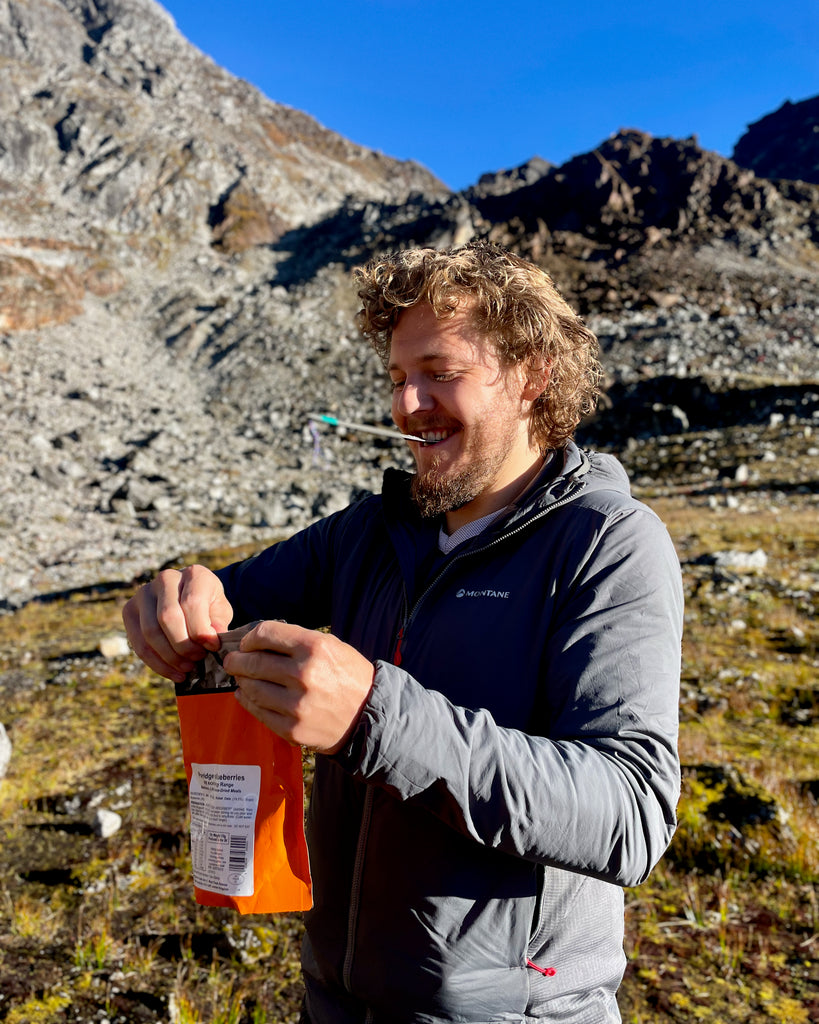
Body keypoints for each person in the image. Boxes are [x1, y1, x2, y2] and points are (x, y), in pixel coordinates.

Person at [123, 241, 683, 1024]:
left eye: (439, 374)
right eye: (395, 378)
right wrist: (173, 602)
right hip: (335, 997)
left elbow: (631, 814)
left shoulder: (606, 543)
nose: (405, 405)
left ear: (532, 377)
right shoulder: (370, 531)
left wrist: (373, 715)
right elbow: (221, 606)